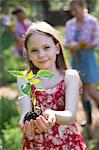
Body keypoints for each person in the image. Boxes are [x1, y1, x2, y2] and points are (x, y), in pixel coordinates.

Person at [17, 21, 87, 149]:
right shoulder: (24, 79)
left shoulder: (69, 77)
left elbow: (70, 116)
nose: (41, 54)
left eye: (46, 47)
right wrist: (24, 124)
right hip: (37, 144)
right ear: (28, 55)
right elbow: (25, 112)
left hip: (66, 142)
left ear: (57, 48)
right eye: (34, 50)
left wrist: (53, 114)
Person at [63, 0, 99, 138]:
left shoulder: (92, 22)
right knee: (82, 92)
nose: (73, 13)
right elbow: (66, 41)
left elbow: (96, 42)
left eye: (75, 9)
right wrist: (71, 45)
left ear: (83, 7)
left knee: (91, 91)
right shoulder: (70, 24)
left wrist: (82, 46)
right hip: (76, 59)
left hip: (88, 58)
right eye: (72, 10)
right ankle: (88, 119)